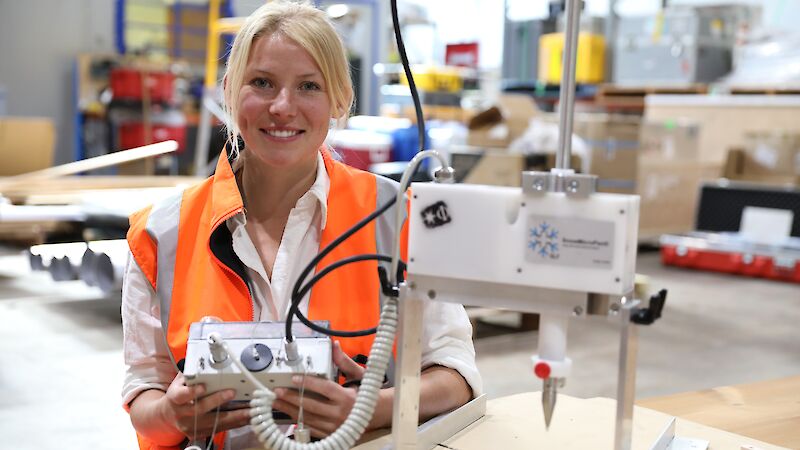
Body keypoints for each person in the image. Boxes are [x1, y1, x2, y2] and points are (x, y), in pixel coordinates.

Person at [121, 1, 482, 449]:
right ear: (231, 91)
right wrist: (173, 414)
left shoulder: (398, 217)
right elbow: (143, 398)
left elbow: (456, 372)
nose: (282, 106)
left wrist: (370, 406)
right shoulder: (162, 235)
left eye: (308, 86)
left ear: (339, 100)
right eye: (262, 83)